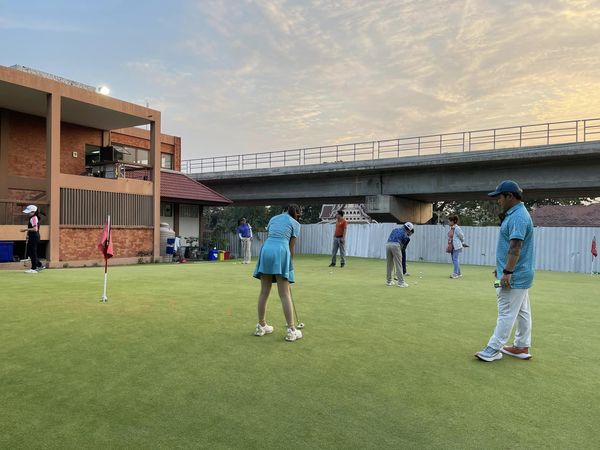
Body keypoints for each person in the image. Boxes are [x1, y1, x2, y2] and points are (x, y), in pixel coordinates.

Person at [475, 180, 535, 362]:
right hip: (519, 272)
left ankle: (493, 348)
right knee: (522, 311)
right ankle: (521, 346)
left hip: (514, 275)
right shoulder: (517, 214)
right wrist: (501, 268)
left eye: (499, 197)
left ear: (509, 196)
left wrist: (507, 272)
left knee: (506, 311)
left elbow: (515, 247)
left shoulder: (517, 217)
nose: (498, 200)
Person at [253, 204, 303, 342]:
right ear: (297, 214)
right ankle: (292, 330)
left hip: (266, 250)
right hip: (281, 250)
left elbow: (272, 236)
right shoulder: (295, 223)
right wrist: (289, 267)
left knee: (264, 291)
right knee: (284, 293)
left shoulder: (273, 218)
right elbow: (291, 248)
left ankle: (261, 326)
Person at [386, 222, 414, 288]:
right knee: (399, 264)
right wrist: (399, 257)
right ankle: (401, 282)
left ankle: (389, 281)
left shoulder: (395, 230)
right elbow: (401, 247)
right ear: (409, 229)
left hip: (388, 244)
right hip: (396, 245)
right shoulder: (405, 235)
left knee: (389, 264)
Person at [22, 204, 43, 273]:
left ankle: (34, 268)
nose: (28, 214)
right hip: (33, 237)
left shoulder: (33, 218)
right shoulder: (33, 218)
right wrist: (28, 234)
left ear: (33, 212)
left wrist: (26, 229)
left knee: (32, 253)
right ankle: (39, 265)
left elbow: (35, 229)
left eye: (29, 212)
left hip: (34, 237)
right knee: (31, 252)